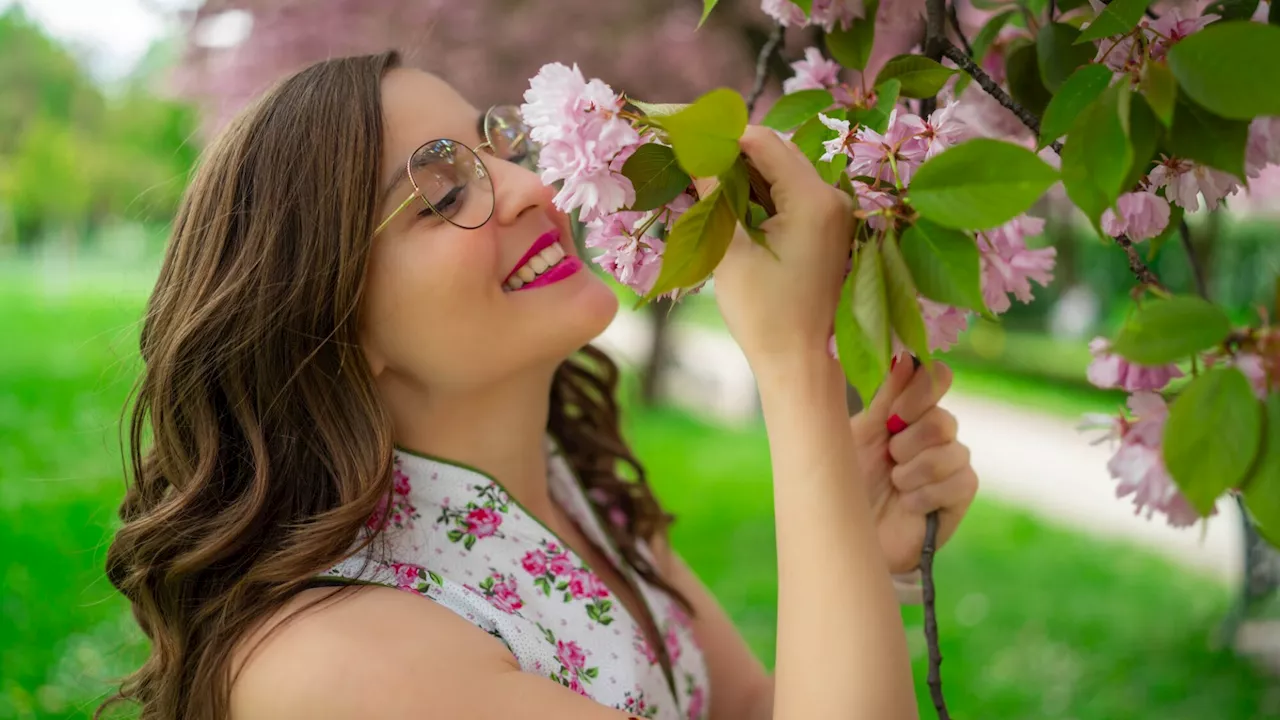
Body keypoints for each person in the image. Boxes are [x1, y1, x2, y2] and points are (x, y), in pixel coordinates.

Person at [100, 51, 978, 720]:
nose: (531, 188)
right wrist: (796, 373)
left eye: (500, 146)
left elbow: (749, 711)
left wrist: (853, 556)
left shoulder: (580, 496)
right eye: (442, 194)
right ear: (329, 322)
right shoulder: (339, 661)